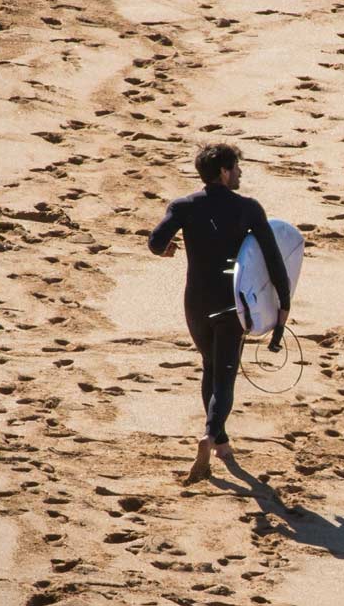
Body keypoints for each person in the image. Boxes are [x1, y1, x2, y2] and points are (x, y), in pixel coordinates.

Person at [148, 143, 291, 484]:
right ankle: (210, 437)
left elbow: (155, 242)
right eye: (236, 168)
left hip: (196, 302)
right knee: (224, 377)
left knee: (209, 366)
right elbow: (273, 259)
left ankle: (222, 442)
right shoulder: (248, 209)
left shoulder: (184, 206)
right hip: (232, 303)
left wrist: (166, 250)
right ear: (225, 172)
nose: (240, 173)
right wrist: (283, 306)